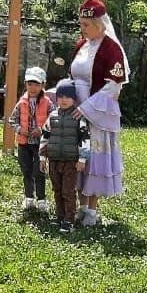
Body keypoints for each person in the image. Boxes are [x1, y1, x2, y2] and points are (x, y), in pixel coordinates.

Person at [69, 0, 127, 226]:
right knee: (78, 155)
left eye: (86, 25)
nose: (82, 29)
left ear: (100, 24)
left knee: (93, 158)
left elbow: (114, 85)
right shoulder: (81, 45)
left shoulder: (111, 48)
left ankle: (92, 210)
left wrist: (88, 108)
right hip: (76, 108)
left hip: (96, 111)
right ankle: (80, 205)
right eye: (81, 24)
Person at [40, 79, 90, 233]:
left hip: (70, 161)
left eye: (68, 97)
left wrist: (82, 159)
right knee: (57, 189)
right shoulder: (52, 116)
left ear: (73, 99)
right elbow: (45, 136)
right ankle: (59, 216)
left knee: (68, 191)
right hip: (54, 159)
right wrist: (42, 157)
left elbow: (85, 138)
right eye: (60, 96)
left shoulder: (78, 117)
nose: (64, 100)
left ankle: (69, 219)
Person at [9, 67, 51, 211]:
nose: (33, 88)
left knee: (39, 171)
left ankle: (41, 199)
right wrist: (20, 130)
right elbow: (12, 120)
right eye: (30, 84)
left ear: (43, 85)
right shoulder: (21, 103)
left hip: (40, 143)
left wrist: (42, 130)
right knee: (26, 170)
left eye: (37, 84)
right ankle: (28, 197)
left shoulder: (47, 102)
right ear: (26, 84)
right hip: (24, 143)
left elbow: (53, 120)